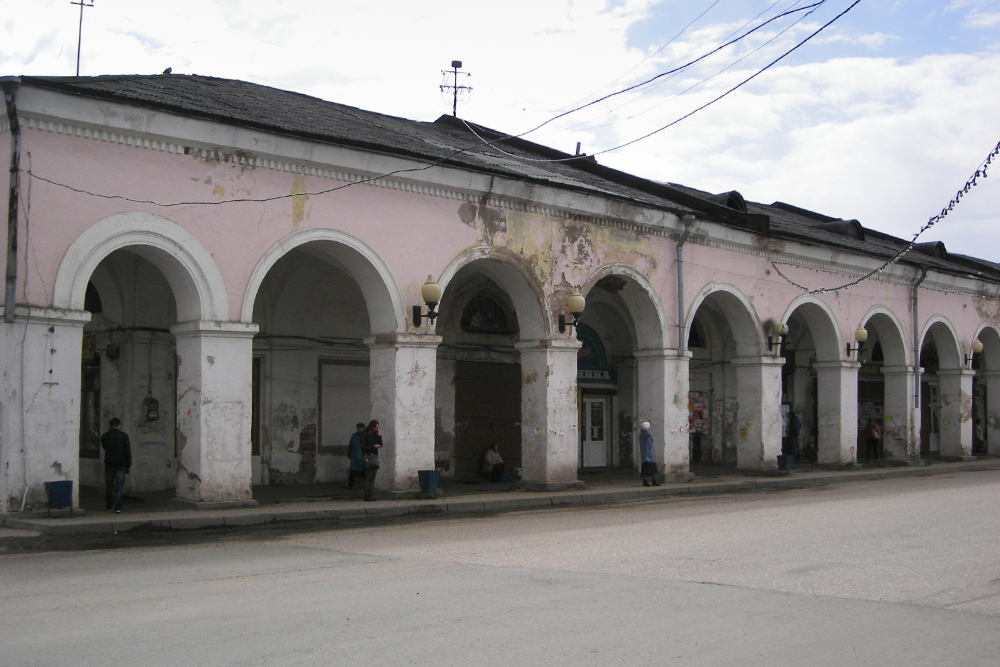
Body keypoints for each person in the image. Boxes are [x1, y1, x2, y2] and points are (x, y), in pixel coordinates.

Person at [101, 417, 131, 513]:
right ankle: (118, 507)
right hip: (121, 464)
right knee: (119, 486)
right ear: (118, 425)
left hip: (109, 463)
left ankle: (109, 505)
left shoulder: (105, 436)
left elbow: (105, 447)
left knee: (109, 485)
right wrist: (128, 464)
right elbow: (127, 452)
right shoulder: (124, 436)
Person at [362, 419, 383, 502]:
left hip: (374, 456)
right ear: (371, 426)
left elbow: (380, 445)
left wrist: (379, 436)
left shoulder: (375, 435)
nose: (376, 429)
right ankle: (367, 496)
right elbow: (363, 447)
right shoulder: (365, 435)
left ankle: (371, 495)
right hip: (367, 457)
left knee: (373, 476)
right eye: (375, 428)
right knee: (368, 476)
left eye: (377, 428)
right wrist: (373, 447)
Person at [639, 421, 660, 487]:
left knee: (653, 469)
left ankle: (654, 481)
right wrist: (644, 429)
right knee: (646, 469)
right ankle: (645, 481)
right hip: (646, 454)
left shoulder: (645, 433)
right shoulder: (642, 434)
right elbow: (648, 434)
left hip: (651, 454)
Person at [347, 422, 366, 489]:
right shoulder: (354, 436)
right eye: (358, 428)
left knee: (363, 471)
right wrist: (349, 453)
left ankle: (365, 485)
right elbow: (350, 445)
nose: (359, 429)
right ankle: (350, 485)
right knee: (353, 471)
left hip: (362, 456)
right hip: (354, 456)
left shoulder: (365, 436)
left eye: (361, 428)